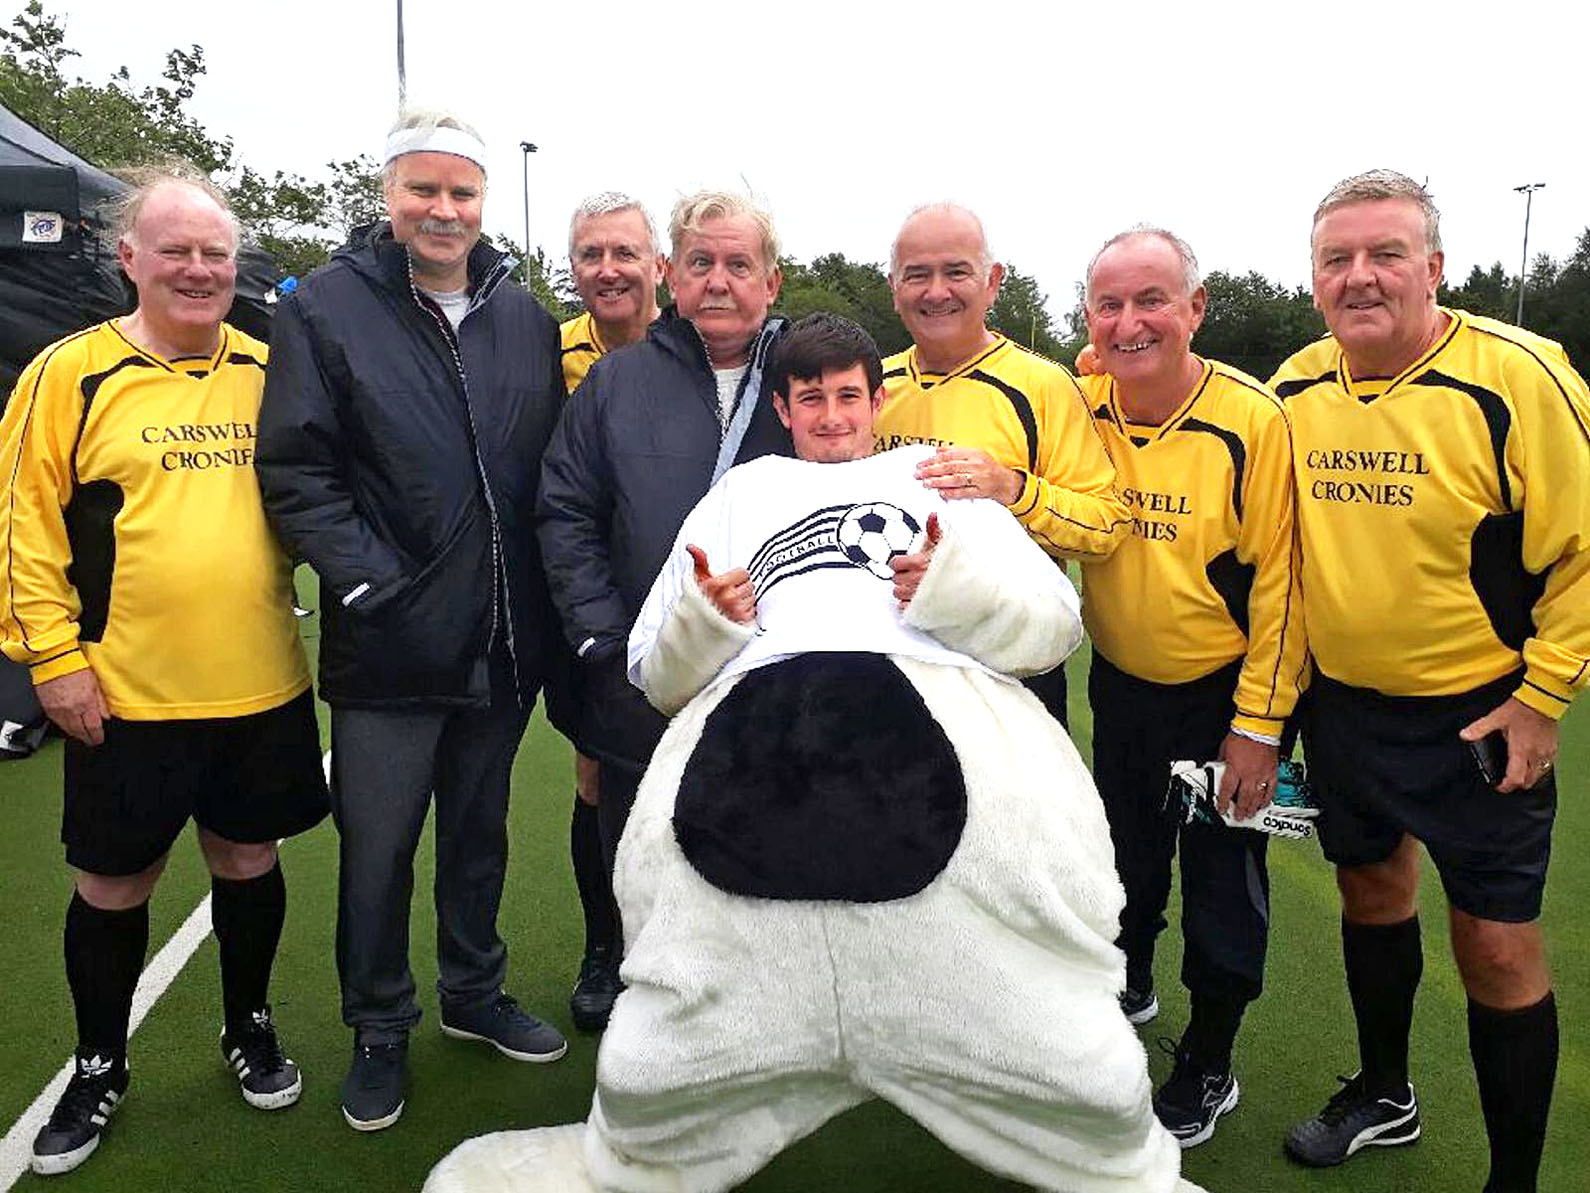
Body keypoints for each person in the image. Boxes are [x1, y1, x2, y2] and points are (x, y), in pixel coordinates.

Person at [425, 314, 1197, 1193]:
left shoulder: (937, 478)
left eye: (847, 397)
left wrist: (953, 590)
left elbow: (1053, 623)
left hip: (940, 708)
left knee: (1042, 1000)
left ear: (877, 400)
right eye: (810, 399)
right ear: (785, 410)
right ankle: (649, 1135)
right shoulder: (741, 495)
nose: (831, 417)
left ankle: (1096, 1140)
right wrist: (709, 620)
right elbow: (654, 666)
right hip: (756, 733)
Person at [0, 172, 327, 1175]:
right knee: (113, 881)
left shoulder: (270, 367)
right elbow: (22, 526)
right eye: (176, 250)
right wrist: (52, 662)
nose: (199, 269)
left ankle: (249, 1025)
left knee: (248, 861)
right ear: (128, 258)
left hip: (261, 684)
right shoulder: (68, 372)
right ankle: (100, 1061)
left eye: (215, 253)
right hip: (125, 693)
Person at [1271, 170, 1588, 1191]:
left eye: (1385, 254)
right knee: (1371, 893)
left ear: (1434, 268)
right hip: (1347, 708)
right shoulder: (1294, 387)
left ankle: (1513, 1179)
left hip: (1481, 714)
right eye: (1338, 259)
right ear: (1316, 276)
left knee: (1496, 946)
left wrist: (1541, 700)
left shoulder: (1522, 377)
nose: (1360, 277)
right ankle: (1383, 1091)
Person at [255, 109, 568, 1133]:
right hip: (388, 644)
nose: (443, 210)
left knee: (480, 837)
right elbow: (298, 469)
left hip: (500, 641)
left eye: (462, 193)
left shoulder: (523, 315)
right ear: (389, 196)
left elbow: (540, 475)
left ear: (484, 203)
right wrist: (363, 582)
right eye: (423, 190)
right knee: (379, 851)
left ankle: (473, 992)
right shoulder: (325, 309)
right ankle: (380, 1023)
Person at [1076, 227, 1307, 1148]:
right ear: (1088, 317)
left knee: (1228, 881)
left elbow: (1288, 589)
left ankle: (1210, 1057)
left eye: (1152, 301)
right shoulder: (1083, 399)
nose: (1130, 324)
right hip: (1123, 687)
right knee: (1123, 861)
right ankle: (1129, 983)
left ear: (1196, 308)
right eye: (1109, 305)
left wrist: (1259, 727)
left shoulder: (1255, 418)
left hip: (1232, 701)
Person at [536, 189, 792, 927]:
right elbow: (564, 510)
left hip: (765, 677)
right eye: (702, 262)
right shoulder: (617, 381)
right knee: (641, 860)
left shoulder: (803, 377)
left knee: (761, 864)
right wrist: (603, 638)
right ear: (672, 276)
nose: (719, 280)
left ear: (771, 281)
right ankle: (623, 975)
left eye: (739, 264)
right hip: (638, 678)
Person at [874, 202, 1130, 722]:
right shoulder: (872, 388)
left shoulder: (1043, 386)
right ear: (894, 287)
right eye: (917, 275)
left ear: (992, 281)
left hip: (1007, 668)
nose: (937, 291)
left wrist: (1012, 488)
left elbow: (1107, 523)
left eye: (956, 272)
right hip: (893, 666)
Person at [550, 193, 665, 1033]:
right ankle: (606, 946)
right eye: (591, 254)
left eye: (624, 253)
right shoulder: (549, 353)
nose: (608, 270)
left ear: (657, 265)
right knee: (598, 777)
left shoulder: (692, 349)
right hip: (586, 605)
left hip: (688, 606)